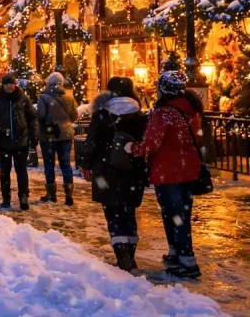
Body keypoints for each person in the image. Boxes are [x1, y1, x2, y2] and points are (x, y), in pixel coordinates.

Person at [127, 70, 205, 278]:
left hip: (167, 172)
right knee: (181, 216)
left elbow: (151, 144)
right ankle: (176, 254)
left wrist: (131, 148)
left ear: (163, 89)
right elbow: (197, 139)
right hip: (189, 170)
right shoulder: (192, 110)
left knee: (173, 215)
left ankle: (187, 261)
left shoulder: (162, 113)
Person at [81, 76, 148, 273]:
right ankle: (130, 255)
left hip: (106, 169)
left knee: (113, 212)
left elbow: (91, 141)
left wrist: (86, 164)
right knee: (129, 212)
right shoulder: (140, 116)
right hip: (132, 169)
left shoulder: (101, 114)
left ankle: (122, 257)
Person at [0, 73, 38, 210]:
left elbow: (32, 117)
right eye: (7, 83)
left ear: (15, 84)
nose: (9, 86)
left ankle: (23, 196)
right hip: (3, 142)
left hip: (21, 141)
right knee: (5, 171)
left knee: (21, 170)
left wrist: (33, 134)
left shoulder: (23, 99)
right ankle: (6, 198)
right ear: (3, 85)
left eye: (11, 83)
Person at [35, 71, 79, 205]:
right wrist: (64, 123)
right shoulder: (70, 97)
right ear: (61, 83)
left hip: (48, 135)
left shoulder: (43, 97)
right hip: (65, 134)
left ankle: (51, 193)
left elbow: (40, 115)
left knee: (49, 164)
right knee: (65, 164)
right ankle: (68, 194)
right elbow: (74, 116)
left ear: (48, 83)